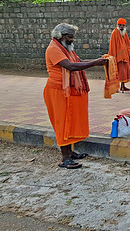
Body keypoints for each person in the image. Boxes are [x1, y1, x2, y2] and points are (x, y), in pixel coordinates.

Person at [43, 23, 107, 169]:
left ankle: (70, 153)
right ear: (60, 36)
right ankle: (65, 159)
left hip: (68, 90)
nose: (72, 40)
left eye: (72, 37)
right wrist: (95, 63)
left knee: (70, 121)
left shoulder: (66, 49)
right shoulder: (53, 49)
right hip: (58, 91)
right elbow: (70, 67)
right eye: (70, 37)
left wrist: (98, 61)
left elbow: (78, 62)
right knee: (63, 124)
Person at [108, 18, 130, 92]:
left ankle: (123, 86)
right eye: (120, 25)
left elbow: (128, 44)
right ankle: (116, 87)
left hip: (124, 56)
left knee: (124, 72)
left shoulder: (124, 33)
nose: (121, 27)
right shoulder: (114, 33)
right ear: (117, 25)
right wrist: (113, 57)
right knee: (118, 72)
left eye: (123, 25)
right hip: (118, 57)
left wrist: (129, 54)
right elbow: (112, 46)